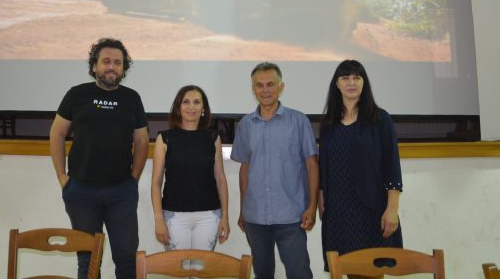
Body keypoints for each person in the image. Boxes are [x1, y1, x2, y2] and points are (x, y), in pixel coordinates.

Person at [49, 38, 149, 279]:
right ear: (94, 65)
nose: (111, 67)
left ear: (124, 68)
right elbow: (57, 134)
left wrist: (133, 180)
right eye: (106, 61)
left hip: (121, 192)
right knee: (87, 260)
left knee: (126, 260)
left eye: (117, 62)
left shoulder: (132, 98)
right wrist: (63, 178)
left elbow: (142, 141)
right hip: (81, 192)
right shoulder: (77, 94)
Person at [231, 62, 318, 279]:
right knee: (263, 274)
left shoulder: (298, 121)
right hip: (255, 217)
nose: (265, 90)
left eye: (270, 84)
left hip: (292, 215)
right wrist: (243, 209)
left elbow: (312, 165)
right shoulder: (245, 124)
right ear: (253, 89)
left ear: (281, 87)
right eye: (259, 85)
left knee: (299, 274)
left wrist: (312, 206)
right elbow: (245, 169)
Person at [319, 59, 403, 275]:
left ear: (364, 83)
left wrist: (392, 209)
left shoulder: (379, 119)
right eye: (345, 78)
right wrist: (321, 202)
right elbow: (325, 169)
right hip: (338, 215)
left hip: (371, 213)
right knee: (344, 270)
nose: (351, 82)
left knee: (372, 272)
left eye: (357, 77)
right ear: (337, 84)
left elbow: (391, 166)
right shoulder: (328, 124)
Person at [151, 85, 230, 253]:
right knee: (180, 271)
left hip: (209, 216)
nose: (191, 107)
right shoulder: (164, 138)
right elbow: (156, 183)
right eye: (186, 102)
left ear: (203, 108)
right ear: (178, 108)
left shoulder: (213, 138)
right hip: (174, 216)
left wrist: (224, 217)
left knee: (201, 271)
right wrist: (159, 219)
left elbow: (221, 180)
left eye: (196, 102)